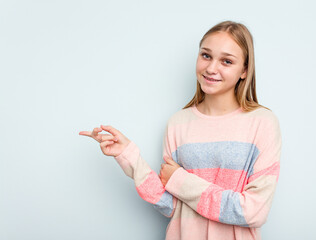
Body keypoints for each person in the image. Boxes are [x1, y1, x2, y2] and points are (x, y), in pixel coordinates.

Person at [79, 20, 282, 240]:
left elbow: (253, 211)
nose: (211, 68)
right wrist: (128, 157)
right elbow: (171, 206)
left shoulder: (262, 122)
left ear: (244, 70)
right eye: (206, 55)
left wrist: (180, 180)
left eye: (226, 61)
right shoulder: (178, 123)